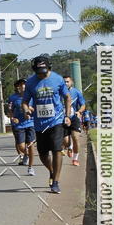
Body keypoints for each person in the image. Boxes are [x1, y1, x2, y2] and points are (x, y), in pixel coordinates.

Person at [22, 55, 71, 194]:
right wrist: (26, 110)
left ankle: (55, 181)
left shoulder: (57, 79)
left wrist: (67, 116)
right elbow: (25, 102)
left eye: (44, 71)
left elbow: (67, 97)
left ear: (49, 67)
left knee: (56, 149)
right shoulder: (31, 82)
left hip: (56, 120)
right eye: (39, 72)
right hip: (39, 123)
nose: (41, 74)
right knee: (43, 154)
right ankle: (51, 171)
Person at [7, 78, 35, 176]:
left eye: (24, 84)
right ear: (17, 87)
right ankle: (26, 155)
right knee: (21, 146)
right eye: (20, 84)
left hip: (31, 123)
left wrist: (29, 109)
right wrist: (13, 118)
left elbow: (36, 109)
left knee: (31, 145)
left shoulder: (32, 97)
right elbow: (10, 111)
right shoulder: (12, 98)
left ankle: (31, 167)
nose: (23, 86)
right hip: (19, 125)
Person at [62, 75, 85, 166]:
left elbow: (83, 105)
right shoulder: (59, 92)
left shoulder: (76, 92)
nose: (66, 83)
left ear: (71, 82)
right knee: (66, 141)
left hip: (74, 117)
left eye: (67, 81)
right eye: (64, 82)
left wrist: (79, 111)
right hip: (63, 118)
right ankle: (69, 147)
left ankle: (75, 159)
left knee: (75, 138)